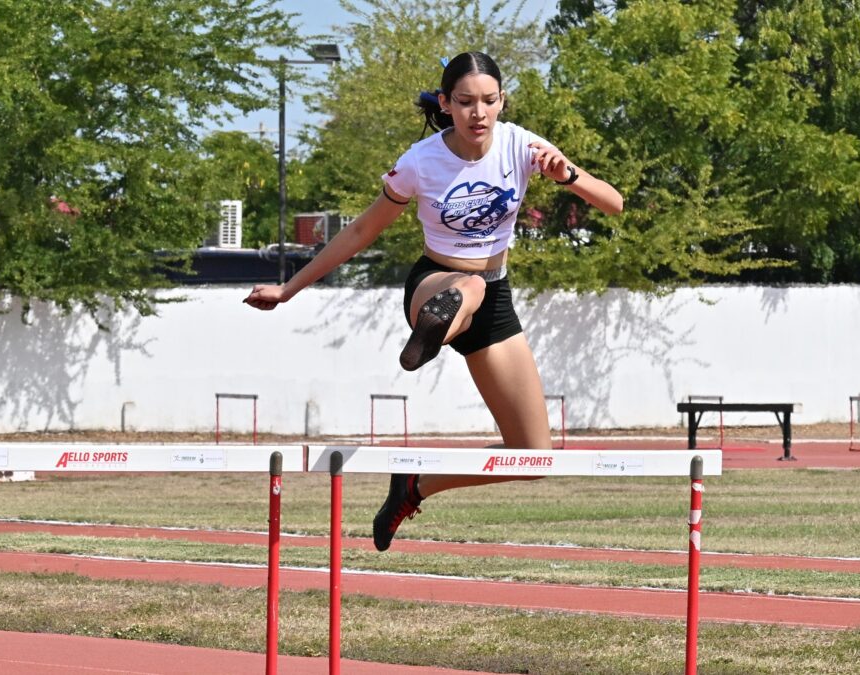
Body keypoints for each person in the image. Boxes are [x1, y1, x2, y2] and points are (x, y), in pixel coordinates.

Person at [244, 52, 623, 551]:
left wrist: (566, 177)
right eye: (465, 102)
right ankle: (434, 326)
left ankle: (415, 485)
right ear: (445, 104)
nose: (478, 113)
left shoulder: (521, 145)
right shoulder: (421, 161)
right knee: (469, 287)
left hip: (494, 297)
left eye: (489, 101)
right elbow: (360, 230)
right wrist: (289, 290)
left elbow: (613, 202)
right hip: (435, 282)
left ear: (502, 101)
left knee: (534, 457)